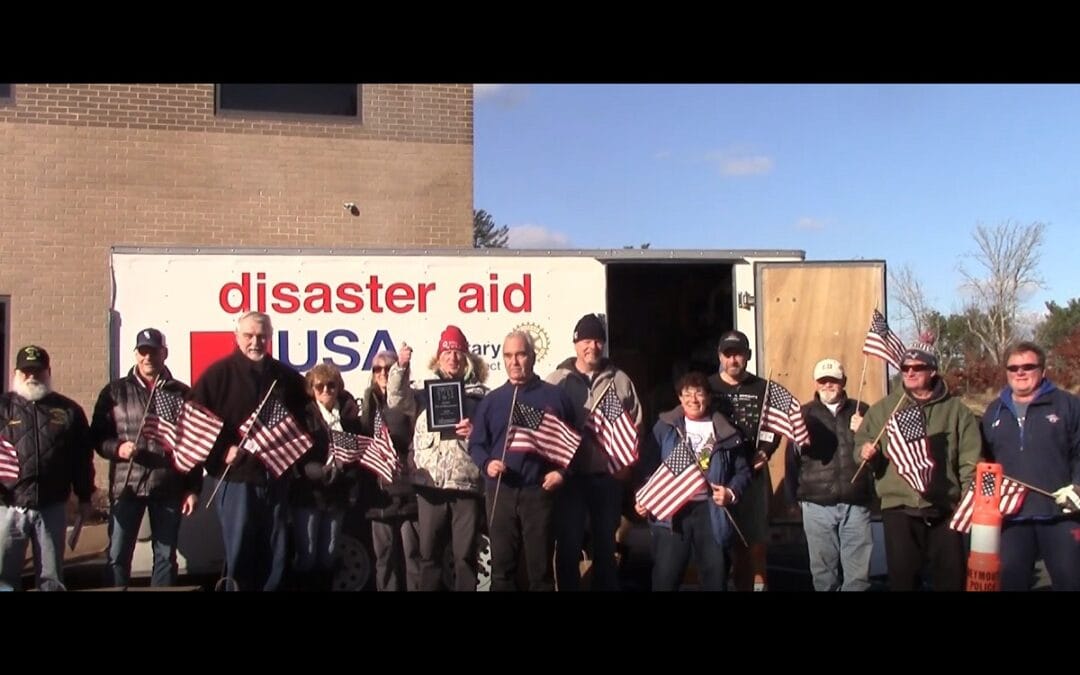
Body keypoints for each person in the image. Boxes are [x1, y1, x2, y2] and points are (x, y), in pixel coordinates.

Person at [188, 311, 310, 592]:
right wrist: (220, 452)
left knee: (275, 551)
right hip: (235, 480)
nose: (256, 342)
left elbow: (306, 417)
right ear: (237, 337)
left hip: (274, 477)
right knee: (239, 551)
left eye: (262, 336)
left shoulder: (285, 377)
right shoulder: (217, 375)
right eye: (249, 336)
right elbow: (193, 421)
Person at [854, 335, 980, 591]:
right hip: (899, 509)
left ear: (932, 370)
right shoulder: (883, 409)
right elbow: (863, 444)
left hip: (945, 509)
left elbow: (970, 462)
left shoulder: (957, 411)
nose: (910, 372)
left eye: (918, 367)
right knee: (903, 583)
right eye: (905, 368)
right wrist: (865, 453)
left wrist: (967, 504)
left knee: (951, 581)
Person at [91, 328, 199, 587]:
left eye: (154, 351)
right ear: (136, 354)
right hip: (126, 487)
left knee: (165, 556)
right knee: (117, 555)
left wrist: (193, 488)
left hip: (168, 487)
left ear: (165, 353)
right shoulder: (114, 391)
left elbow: (194, 446)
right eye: (143, 351)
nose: (148, 357)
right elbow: (96, 437)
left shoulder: (181, 393)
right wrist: (117, 449)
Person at [468, 330, 576, 591]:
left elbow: (573, 444)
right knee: (502, 571)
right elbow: (476, 444)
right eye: (508, 355)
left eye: (520, 354)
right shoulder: (492, 401)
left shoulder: (555, 397)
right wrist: (487, 464)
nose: (514, 361)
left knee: (539, 572)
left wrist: (562, 472)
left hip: (538, 494)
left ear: (533, 356)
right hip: (501, 492)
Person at [546, 313, 642, 591]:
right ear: (576, 343)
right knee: (568, 547)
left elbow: (635, 424)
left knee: (605, 548)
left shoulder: (619, 380)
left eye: (598, 340)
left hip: (606, 479)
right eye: (587, 340)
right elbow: (546, 428)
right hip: (570, 479)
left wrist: (627, 465)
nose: (593, 346)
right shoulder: (557, 381)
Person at [635, 371, 750, 591]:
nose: (693, 400)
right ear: (679, 397)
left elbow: (742, 471)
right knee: (665, 578)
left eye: (699, 394)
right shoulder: (665, 427)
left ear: (708, 397)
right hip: (672, 512)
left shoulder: (725, 430)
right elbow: (646, 468)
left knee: (715, 577)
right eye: (687, 394)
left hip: (711, 512)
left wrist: (730, 492)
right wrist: (644, 497)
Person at [981, 341, 1080, 591]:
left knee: (1070, 581)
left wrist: (1078, 487)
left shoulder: (1067, 405)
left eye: (1028, 366)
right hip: (1012, 517)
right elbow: (986, 461)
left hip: (1060, 514)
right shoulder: (994, 412)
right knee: (1010, 583)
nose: (1020, 373)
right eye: (1013, 368)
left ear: (1043, 370)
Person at [0, 345, 95, 591]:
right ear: (16, 373)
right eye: (26, 371)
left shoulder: (68, 410)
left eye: (38, 371)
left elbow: (82, 459)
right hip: (9, 507)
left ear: (48, 372)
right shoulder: (2, 408)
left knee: (51, 577)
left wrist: (85, 496)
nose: (32, 376)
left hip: (52, 506)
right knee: (4, 576)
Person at [411, 325, 490, 591]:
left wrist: (474, 433)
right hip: (430, 485)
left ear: (466, 357)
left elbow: (492, 437)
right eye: (447, 352)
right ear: (438, 357)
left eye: (458, 352)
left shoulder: (481, 397)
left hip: (465, 486)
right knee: (428, 556)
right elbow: (397, 400)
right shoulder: (422, 393)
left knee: (464, 557)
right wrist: (400, 368)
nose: (452, 357)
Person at [707, 329, 781, 591]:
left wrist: (767, 449)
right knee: (718, 543)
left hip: (752, 473)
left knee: (755, 542)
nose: (733, 360)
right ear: (720, 356)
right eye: (728, 355)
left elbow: (774, 425)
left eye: (738, 354)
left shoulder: (763, 387)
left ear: (748, 356)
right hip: (718, 475)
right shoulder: (708, 387)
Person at [793, 358, 873, 591]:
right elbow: (792, 461)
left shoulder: (863, 411)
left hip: (856, 501)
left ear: (843, 382)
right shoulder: (804, 414)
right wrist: (794, 497)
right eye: (823, 381)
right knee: (823, 574)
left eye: (834, 381)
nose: (828, 385)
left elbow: (878, 452)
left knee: (858, 576)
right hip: (816, 503)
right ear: (816, 383)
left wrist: (865, 430)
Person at [291, 362, 361, 591]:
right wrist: (318, 471)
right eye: (319, 386)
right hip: (309, 494)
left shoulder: (349, 416)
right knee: (308, 554)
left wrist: (344, 470)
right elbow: (298, 457)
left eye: (331, 386)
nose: (325, 391)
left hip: (337, 495)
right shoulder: (305, 415)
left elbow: (356, 452)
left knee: (329, 554)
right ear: (312, 388)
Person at [361, 347, 421, 592]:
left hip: (407, 489)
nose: (383, 373)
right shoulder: (367, 402)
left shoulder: (409, 400)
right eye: (377, 369)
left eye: (388, 368)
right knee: (384, 557)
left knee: (412, 553)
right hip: (379, 493)